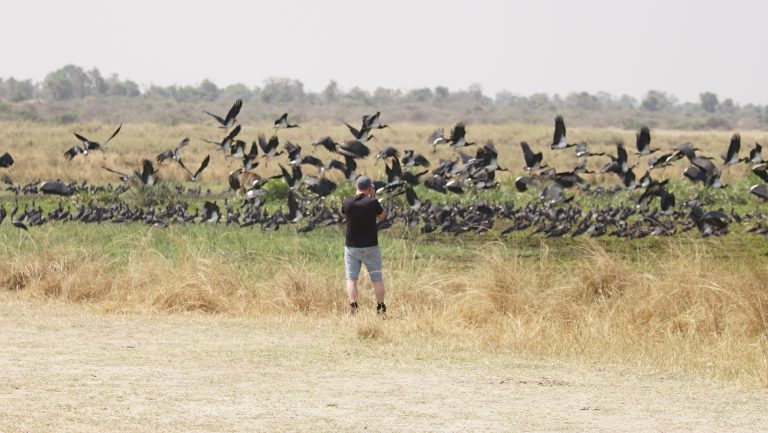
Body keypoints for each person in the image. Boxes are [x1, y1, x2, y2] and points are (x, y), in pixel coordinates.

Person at [341, 176, 387, 316]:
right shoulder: (372, 202)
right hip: (370, 246)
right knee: (377, 279)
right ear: (369, 188)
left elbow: (343, 213)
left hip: (352, 247)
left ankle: (353, 307)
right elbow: (383, 216)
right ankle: (380, 308)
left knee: (351, 278)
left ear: (356, 187)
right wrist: (373, 197)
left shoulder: (347, 202)